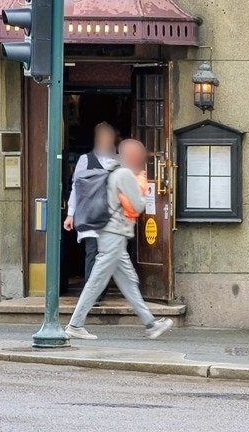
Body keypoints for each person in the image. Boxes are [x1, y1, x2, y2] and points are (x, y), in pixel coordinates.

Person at [66, 139, 173, 341]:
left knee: (128, 281)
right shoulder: (124, 174)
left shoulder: (111, 170)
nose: (142, 158)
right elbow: (139, 205)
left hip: (112, 233)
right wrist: (141, 183)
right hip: (114, 233)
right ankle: (75, 324)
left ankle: (150, 324)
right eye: (140, 153)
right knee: (97, 280)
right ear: (132, 155)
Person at [64, 123, 119, 286]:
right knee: (92, 253)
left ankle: (100, 292)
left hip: (111, 216)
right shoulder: (85, 159)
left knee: (108, 255)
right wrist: (70, 214)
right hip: (91, 215)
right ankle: (92, 294)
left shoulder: (117, 160)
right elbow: (76, 188)